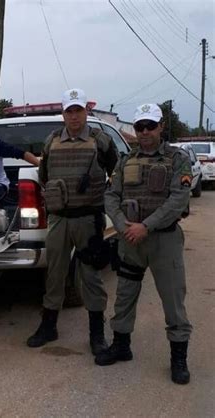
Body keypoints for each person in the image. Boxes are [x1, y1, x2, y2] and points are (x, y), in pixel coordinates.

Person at [96, 103, 192, 385]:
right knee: (125, 294)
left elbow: (178, 200)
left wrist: (145, 226)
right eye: (140, 127)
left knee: (173, 300)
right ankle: (122, 345)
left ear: (161, 126)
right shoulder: (125, 161)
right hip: (130, 240)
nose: (146, 132)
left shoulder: (178, 159)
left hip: (163, 241)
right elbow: (111, 195)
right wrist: (123, 224)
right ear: (135, 130)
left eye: (151, 126)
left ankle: (179, 359)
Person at [27, 88, 118, 356]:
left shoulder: (100, 140)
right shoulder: (52, 141)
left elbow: (116, 173)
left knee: (90, 276)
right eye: (70, 111)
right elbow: (44, 176)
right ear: (63, 114)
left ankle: (97, 334)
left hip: (88, 219)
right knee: (54, 274)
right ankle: (49, 326)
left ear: (85, 112)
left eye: (79, 110)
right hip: (58, 219)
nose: (74, 116)